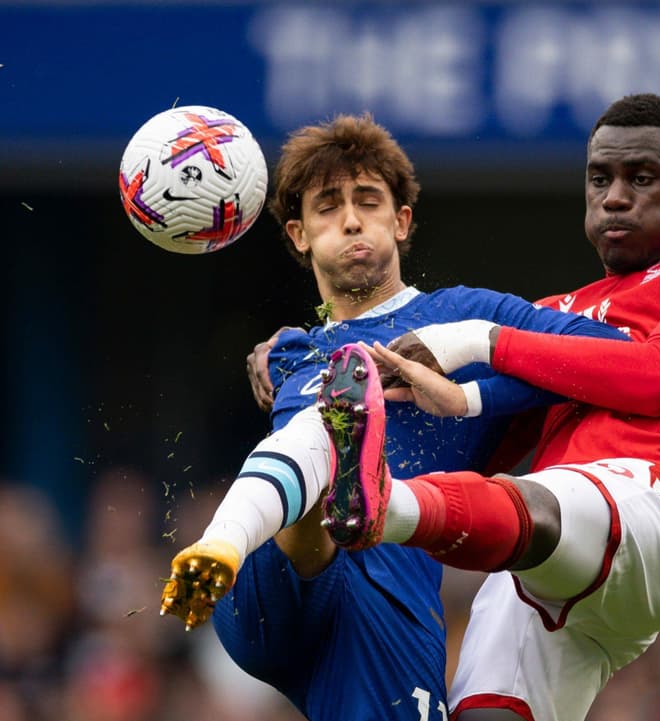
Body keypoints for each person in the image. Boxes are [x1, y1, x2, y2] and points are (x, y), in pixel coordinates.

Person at [309, 93, 660, 721]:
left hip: (659, 512)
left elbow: (659, 374)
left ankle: (383, 505)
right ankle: (375, 500)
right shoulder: (556, 313)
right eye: (600, 179)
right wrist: (302, 355)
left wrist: (483, 341)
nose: (615, 196)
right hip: (550, 560)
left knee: (540, 496)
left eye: (640, 178)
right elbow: (486, 437)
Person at [158, 114, 627, 721]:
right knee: (322, 432)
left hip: (385, 588)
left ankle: (321, 486)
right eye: (328, 207)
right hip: (264, 586)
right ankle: (243, 530)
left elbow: (611, 352)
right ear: (298, 235)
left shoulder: (463, 314)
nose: (351, 219)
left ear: (401, 221)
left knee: (335, 455)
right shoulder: (294, 350)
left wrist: (469, 379)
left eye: (368, 201)